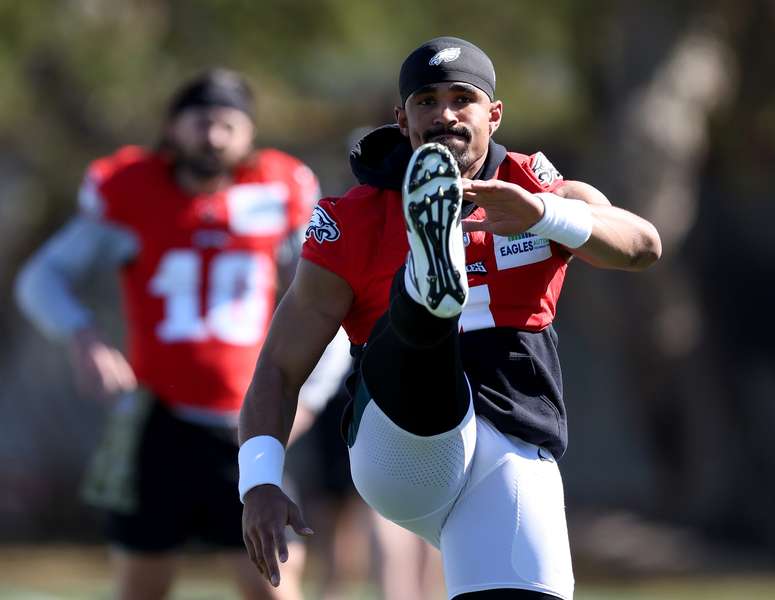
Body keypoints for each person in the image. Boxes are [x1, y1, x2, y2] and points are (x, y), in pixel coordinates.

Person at [238, 36, 662, 600]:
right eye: (426, 101)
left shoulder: (537, 190)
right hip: (403, 447)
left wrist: (544, 215)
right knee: (418, 342)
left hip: (511, 444)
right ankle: (426, 284)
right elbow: (280, 365)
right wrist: (259, 481)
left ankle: (429, 282)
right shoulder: (356, 219)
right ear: (402, 118)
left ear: (494, 112)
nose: (444, 114)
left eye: (462, 98)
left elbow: (642, 245)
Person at [15, 68, 346, 600]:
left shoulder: (279, 191)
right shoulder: (131, 190)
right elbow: (40, 279)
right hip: (158, 423)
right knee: (142, 588)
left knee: (274, 587)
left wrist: (308, 395)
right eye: (201, 122)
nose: (213, 136)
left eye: (227, 124)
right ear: (172, 127)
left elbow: (329, 305)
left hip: (247, 425)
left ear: (250, 133)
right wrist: (83, 336)